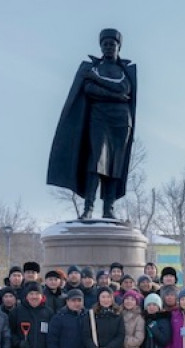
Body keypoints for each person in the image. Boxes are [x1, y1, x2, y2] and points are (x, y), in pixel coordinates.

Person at [47, 28, 137, 219]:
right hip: (99, 116)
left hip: (121, 120)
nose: (108, 47)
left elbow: (125, 88)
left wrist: (98, 81)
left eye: (112, 44)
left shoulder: (123, 71)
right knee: (96, 161)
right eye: (105, 44)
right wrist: (116, 94)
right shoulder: (92, 68)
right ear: (100, 46)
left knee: (115, 165)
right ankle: (88, 207)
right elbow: (89, 90)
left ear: (118, 46)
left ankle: (108, 209)